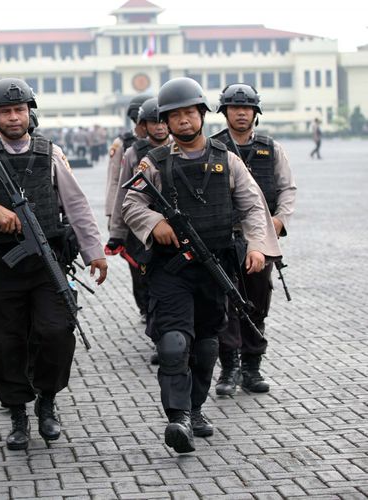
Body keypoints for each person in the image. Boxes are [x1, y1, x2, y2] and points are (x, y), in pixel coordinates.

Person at [122, 77, 281, 454]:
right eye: (174, 116)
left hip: (216, 267)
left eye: (189, 113)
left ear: (202, 114)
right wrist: (154, 224)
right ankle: (176, 418)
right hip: (171, 270)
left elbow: (253, 205)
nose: (183, 121)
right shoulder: (156, 161)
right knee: (175, 343)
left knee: (207, 344)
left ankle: (195, 410)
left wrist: (258, 247)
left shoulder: (227, 160)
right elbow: (130, 203)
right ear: (165, 120)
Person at [0, 78, 108, 451]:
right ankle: (18, 414)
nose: (14, 117)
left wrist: (94, 252)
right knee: (5, 341)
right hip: (4, 266)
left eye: (20, 110)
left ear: (29, 113)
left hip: (47, 264)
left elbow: (77, 205)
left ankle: (47, 402)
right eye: (6, 112)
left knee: (56, 332)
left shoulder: (50, 153)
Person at [211, 83, 297, 395]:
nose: (241, 113)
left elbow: (287, 189)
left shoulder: (270, 148)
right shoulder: (213, 147)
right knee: (225, 302)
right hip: (223, 239)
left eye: (247, 108)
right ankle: (229, 368)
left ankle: (251, 366)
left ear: (255, 113)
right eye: (235, 108)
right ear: (225, 112)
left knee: (257, 301)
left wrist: (279, 220)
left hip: (260, 240)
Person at [107, 97, 170, 327]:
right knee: (143, 277)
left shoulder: (181, 146)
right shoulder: (133, 151)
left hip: (174, 227)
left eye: (164, 121)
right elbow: (119, 191)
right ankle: (151, 318)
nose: (160, 126)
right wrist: (116, 231)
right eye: (154, 122)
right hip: (139, 226)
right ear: (143, 124)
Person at [104, 94, 150, 225]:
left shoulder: (166, 142)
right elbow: (114, 180)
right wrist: (111, 213)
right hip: (129, 205)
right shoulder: (121, 143)